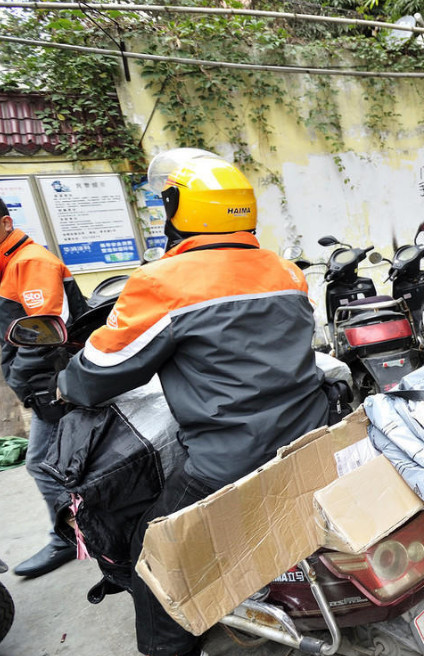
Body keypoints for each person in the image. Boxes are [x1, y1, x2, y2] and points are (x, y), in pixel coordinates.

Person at [58, 150, 331, 656]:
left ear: (176, 209)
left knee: (153, 555)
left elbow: (95, 377)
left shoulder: (164, 281)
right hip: (308, 439)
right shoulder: (286, 272)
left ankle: (168, 649)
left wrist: (63, 384)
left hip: (228, 461)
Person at [0, 199, 87, 578]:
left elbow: (45, 333)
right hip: (41, 381)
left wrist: (22, 379)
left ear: (5, 223)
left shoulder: (29, 262)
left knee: (42, 463)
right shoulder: (9, 263)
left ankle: (71, 537)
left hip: (51, 381)